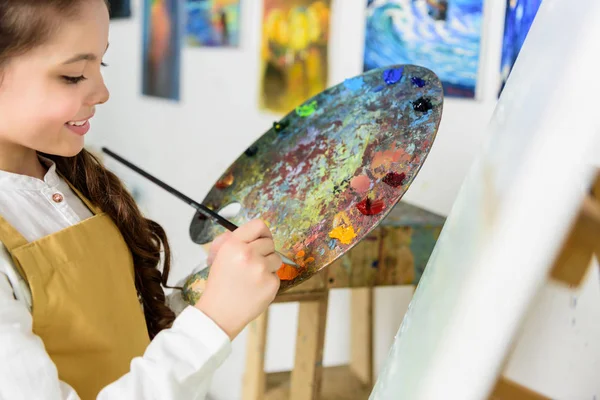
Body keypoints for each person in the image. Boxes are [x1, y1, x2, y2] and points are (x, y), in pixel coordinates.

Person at [0, 0, 281, 398]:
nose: (102, 92)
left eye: (103, 65)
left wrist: (206, 292)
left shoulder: (72, 181)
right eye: (74, 75)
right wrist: (214, 320)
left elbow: (123, 328)